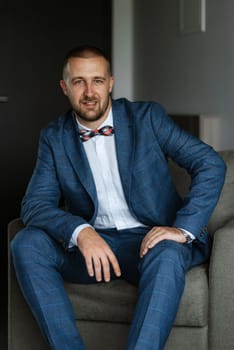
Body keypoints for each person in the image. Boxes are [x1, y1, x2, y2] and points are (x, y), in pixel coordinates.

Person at [11, 45, 226, 350]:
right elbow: (34, 205)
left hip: (151, 241)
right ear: (64, 88)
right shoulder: (54, 136)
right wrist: (80, 231)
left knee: (167, 254)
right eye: (78, 82)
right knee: (26, 242)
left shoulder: (146, 117)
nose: (89, 92)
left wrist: (182, 228)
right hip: (95, 248)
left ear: (110, 83)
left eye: (97, 81)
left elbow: (210, 163)